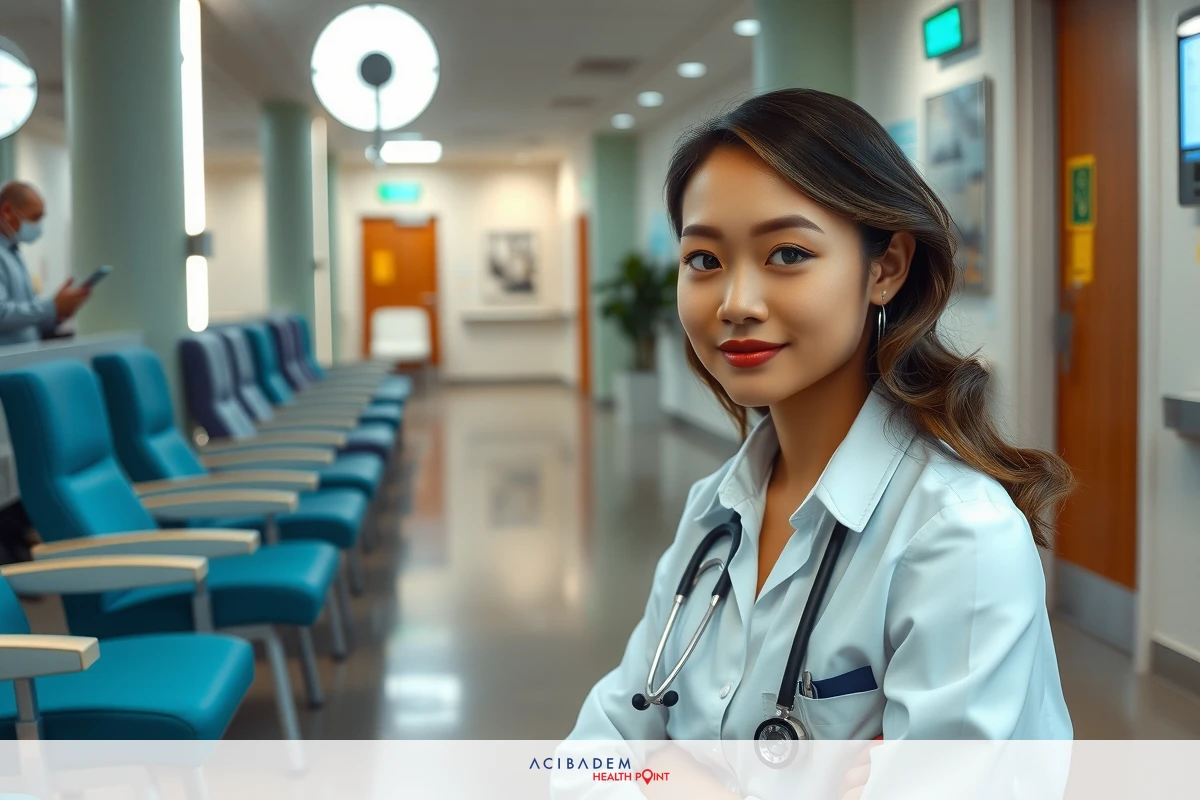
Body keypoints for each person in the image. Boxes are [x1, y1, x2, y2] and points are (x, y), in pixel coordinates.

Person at [568, 89, 1074, 744]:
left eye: (787, 254)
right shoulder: (713, 514)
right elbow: (586, 761)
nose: (736, 302)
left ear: (885, 267)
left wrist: (670, 780)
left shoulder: (957, 538)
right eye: (704, 260)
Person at [0, 181, 91, 346]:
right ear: (7, 211)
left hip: (24, 359)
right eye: (34, 217)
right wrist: (51, 306)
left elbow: (26, 320)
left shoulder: (13, 253)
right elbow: (2, 314)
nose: (38, 226)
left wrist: (58, 314)